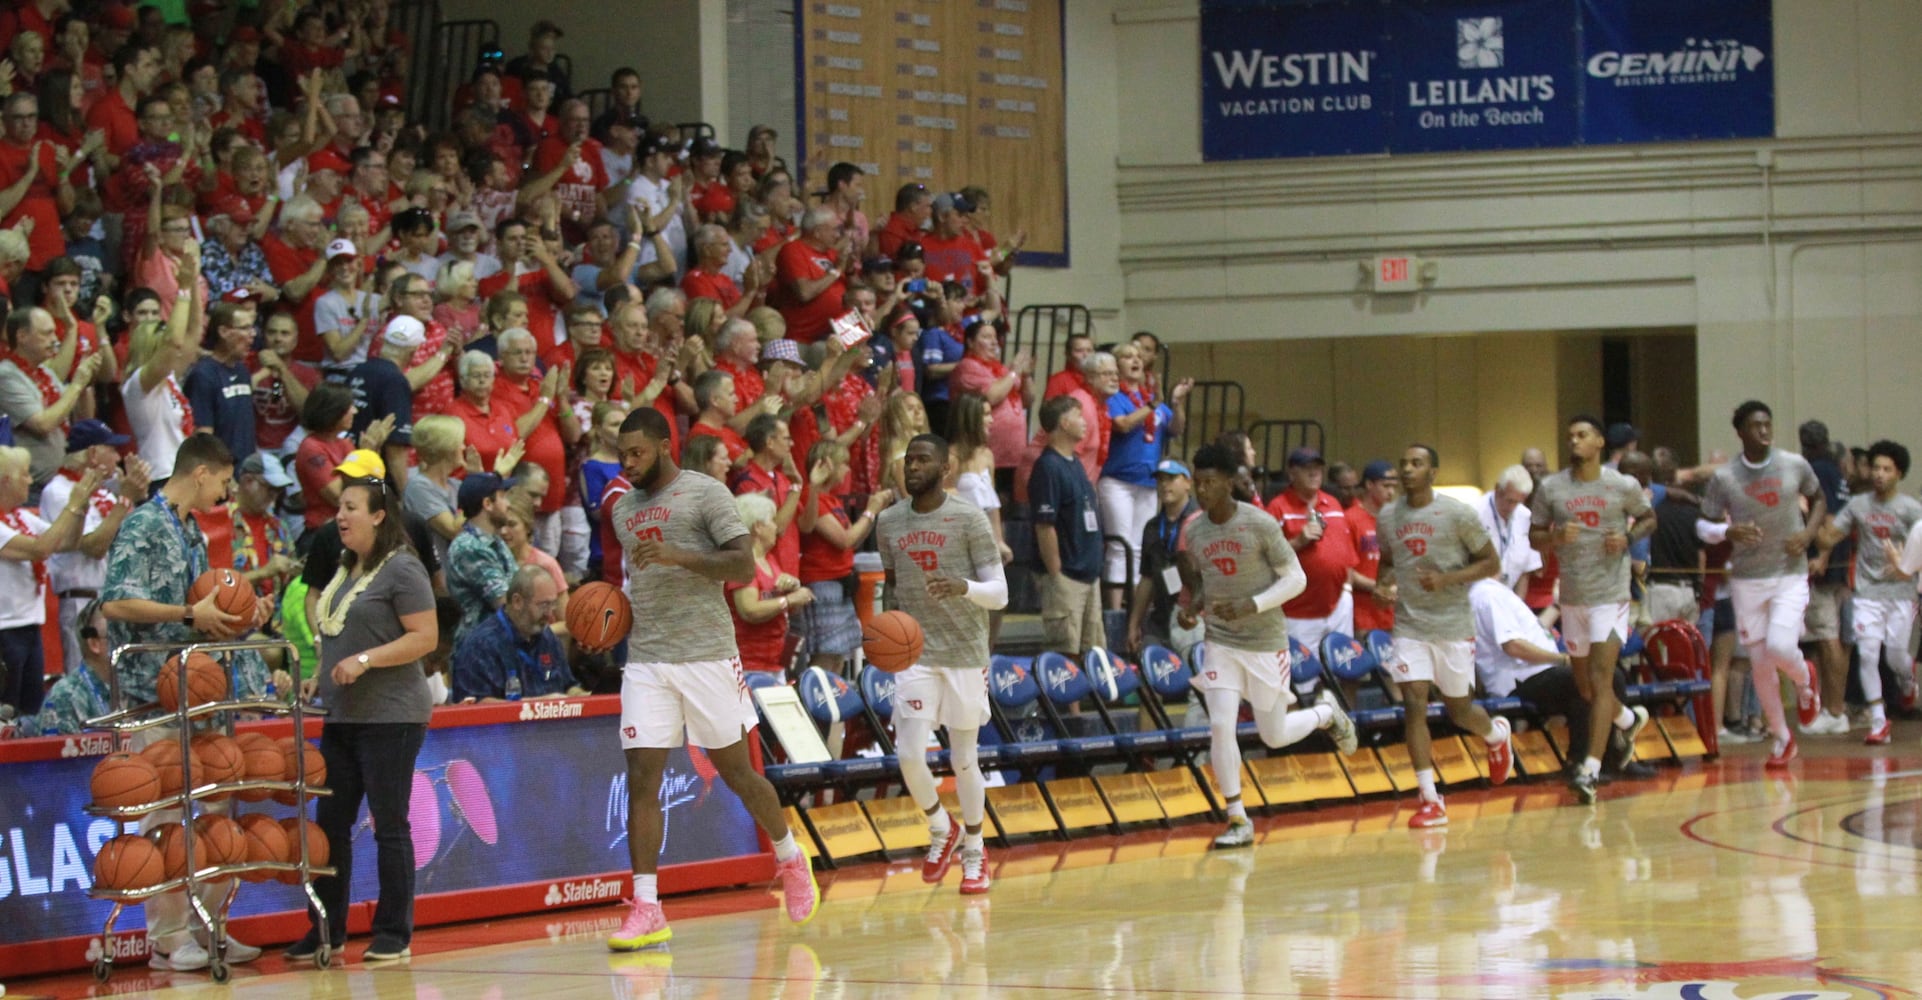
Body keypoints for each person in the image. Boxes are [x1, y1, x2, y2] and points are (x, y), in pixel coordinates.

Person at [605, 405, 818, 950]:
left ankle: (790, 858)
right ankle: (647, 905)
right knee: (642, 780)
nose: (628, 464)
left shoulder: (706, 494)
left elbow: (743, 568)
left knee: (738, 774)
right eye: (622, 454)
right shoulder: (624, 509)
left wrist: (678, 555)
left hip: (706, 655)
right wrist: (606, 622)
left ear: (664, 445)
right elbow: (633, 585)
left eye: (637, 453)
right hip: (648, 658)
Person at [102, 434, 274, 971]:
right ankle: (168, 938)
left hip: (199, 689)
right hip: (152, 692)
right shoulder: (144, 524)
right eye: (224, 481)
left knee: (216, 811)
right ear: (201, 472)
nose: (226, 492)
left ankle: (211, 924)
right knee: (166, 814)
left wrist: (241, 613)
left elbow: (205, 604)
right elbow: (115, 603)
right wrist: (186, 615)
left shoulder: (191, 528)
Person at [286, 477, 437, 965]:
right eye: (338, 507)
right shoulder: (346, 569)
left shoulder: (404, 569)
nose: (340, 515)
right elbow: (337, 638)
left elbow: (424, 638)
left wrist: (366, 661)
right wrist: (318, 678)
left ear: (378, 515)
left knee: (389, 825)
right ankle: (325, 929)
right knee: (329, 826)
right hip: (342, 715)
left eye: (351, 507)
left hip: (392, 717)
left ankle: (394, 932)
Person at [1175, 443, 1356, 848]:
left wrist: (1252, 604)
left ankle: (1326, 713)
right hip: (1220, 641)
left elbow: (1295, 579)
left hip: (1264, 641)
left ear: (1228, 482)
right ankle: (1237, 818)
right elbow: (1202, 583)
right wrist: (1193, 608)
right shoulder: (1196, 530)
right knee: (1221, 725)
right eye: (1197, 483)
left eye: (1209, 483)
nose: (1201, 491)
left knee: (1272, 734)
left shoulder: (1258, 523)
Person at [877, 432, 1008, 892]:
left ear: (945, 469)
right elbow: (892, 587)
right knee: (909, 753)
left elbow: (1001, 592)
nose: (912, 467)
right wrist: (886, 629)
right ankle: (940, 827)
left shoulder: (969, 520)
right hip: (916, 654)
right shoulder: (889, 521)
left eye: (922, 460)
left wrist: (963, 587)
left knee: (964, 759)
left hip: (965, 654)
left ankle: (975, 850)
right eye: (908, 460)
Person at [1374, 443, 1513, 829]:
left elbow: (1491, 563)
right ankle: (1430, 799)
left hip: (1452, 624)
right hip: (1410, 626)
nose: (1407, 469)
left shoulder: (1457, 514)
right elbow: (1388, 561)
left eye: (1416, 463)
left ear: (1433, 472)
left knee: (1459, 710)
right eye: (1403, 463)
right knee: (1414, 706)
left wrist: (1447, 579)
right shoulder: (1387, 516)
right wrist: (1381, 584)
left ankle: (1496, 734)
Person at [1528, 415, 1655, 805]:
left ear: (1600, 441)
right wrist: (1552, 537)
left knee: (1601, 681)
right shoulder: (1551, 487)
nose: (1574, 441)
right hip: (1573, 597)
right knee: (1584, 687)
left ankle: (1591, 768)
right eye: (1570, 435)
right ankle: (1627, 720)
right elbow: (1534, 538)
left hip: (1611, 595)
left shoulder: (1622, 485)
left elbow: (1650, 517)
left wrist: (1628, 538)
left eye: (1582, 435)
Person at [1696, 401, 1824, 768]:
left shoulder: (1794, 465)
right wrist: (1727, 530)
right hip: (1747, 579)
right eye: (1756, 426)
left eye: (1768, 424)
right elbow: (1702, 526)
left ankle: (1804, 679)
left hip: (1789, 572)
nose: (1764, 431)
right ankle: (1783, 738)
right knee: (1760, 664)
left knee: (1781, 646)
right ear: (1740, 432)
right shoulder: (1725, 477)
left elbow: (1818, 498)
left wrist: (1809, 533)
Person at [1467, 577, 1649, 779]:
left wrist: (1556, 605)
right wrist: (1562, 659)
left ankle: (1608, 756)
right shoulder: (1487, 594)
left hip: (1536, 672)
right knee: (1599, 680)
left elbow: (1535, 632)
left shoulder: (1495, 592)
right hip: (1520, 679)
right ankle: (1602, 755)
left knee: (1598, 680)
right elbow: (1513, 646)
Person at [1818, 440, 1922, 744]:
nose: (1879, 474)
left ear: (1898, 473)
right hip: (1866, 592)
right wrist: (1815, 531)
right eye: (1875, 467)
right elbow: (1829, 536)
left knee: (1896, 657)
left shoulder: (1911, 510)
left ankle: (1907, 679)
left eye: (1886, 469)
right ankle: (1879, 721)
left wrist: (1907, 561)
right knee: (1867, 654)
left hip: (1901, 593)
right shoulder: (1858, 505)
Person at [0, 444, 101, 714]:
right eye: (25, 475)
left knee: (31, 711)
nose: (31, 480)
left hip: (30, 626)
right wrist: (72, 504)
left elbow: (69, 541)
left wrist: (81, 508)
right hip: (4, 631)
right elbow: (40, 549)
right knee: (6, 710)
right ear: (6, 481)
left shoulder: (20, 517)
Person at [796, 441, 889, 674]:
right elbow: (844, 539)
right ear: (828, 465)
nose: (847, 470)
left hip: (842, 580)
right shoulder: (811, 495)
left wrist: (871, 513)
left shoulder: (833, 500)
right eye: (843, 464)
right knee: (826, 653)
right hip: (822, 581)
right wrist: (871, 510)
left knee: (839, 655)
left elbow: (853, 541)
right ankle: (818, 704)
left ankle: (833, 704)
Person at [1029, 395, 1104, 659]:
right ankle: (1066, 703)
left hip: (1088, 574)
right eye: (1079, 415)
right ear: (1063, 422)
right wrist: (1056, 574)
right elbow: (1044, 526)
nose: (1085, 422)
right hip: (1067, 577)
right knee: (1065, 655)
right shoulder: (1048, 467)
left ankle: (1087, 702)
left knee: (1092, 654)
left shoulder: (1076, 464)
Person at [1267, 447, 1360, 652]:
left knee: (1346, 669)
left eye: (1317, 468)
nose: (1314, 473)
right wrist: (1298, 542)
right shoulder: (1278, 507)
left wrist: (1347, 589)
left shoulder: (1333, 503)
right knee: (1303, 679)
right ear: (1292, 473)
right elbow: (1265, 560)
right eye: (1306, 468)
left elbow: (1347, 552)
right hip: (1299, 611)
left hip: (1338, 604)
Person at [450, 564, 571, 701]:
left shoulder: (547, 637)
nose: (550, 614)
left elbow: (568, 686)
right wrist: (540, 705)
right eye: (543, 605)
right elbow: (476, 705)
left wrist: (584, 696)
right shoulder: (480, 645)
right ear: (517, 601)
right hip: (504, 723)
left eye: (553, 604)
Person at [727, 491, 808, 674]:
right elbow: (749, 610)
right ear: (758, 527)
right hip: (748, 666)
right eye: (771, 520)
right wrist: (788, 601)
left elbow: (780, 604)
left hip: (774, 662)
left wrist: (791, 590)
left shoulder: (769, 560)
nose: (776, 526)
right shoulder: (743, 563)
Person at [1127, 459, 1201, 656]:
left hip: (1191, 617)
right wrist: (1134, 624)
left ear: (1188, 482)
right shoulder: (1152, 527)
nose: (1164, 485)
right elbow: (1147, 578)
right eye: (1160, 480)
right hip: (1159, 619)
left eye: (1171, 478)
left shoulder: (1201, 522)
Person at [446, 470, 519, 641]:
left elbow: (519, 587)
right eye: (502, 497)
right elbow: (506, 603)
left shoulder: (496, 541)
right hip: (480, 649)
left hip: (501, 643)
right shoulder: (469, 548)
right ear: (487, 503)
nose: (508, 504)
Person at [1479, 464, 1541, 594]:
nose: (1513, 508)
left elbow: (1526, 571)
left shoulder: (1525, 516)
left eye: (1518, 502)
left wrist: (1517, 605)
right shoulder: (1473, 514)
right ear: (1497, 489)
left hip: (1509, 596)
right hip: (1476, 599)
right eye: (1510, 501)